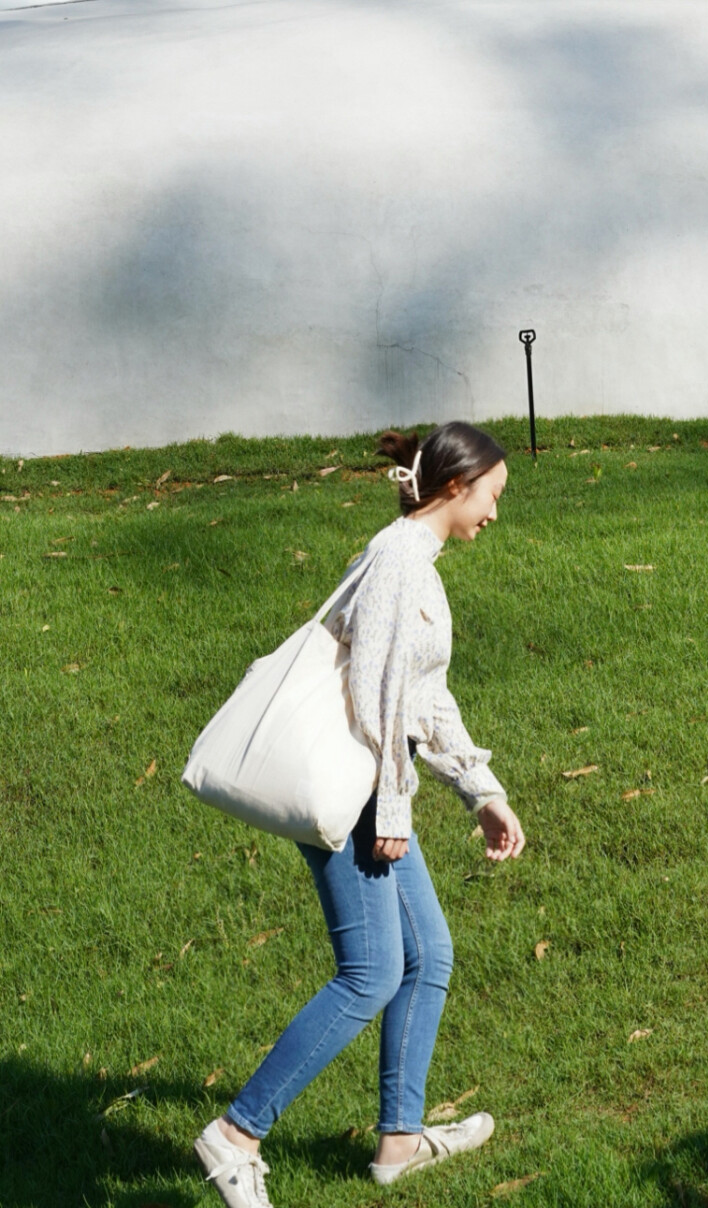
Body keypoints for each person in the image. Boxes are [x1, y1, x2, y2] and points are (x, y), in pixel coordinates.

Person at [194, 422, 526, 1208]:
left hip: (379, 786)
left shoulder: (418, 562)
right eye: (493, 496)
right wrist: (397, 804)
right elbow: (377, 691)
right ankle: (236, 1135)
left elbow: (424, 694)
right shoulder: (396, 560)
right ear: (455, 486)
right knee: (373, 971)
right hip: (361, 790)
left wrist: (481, 790)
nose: (496, 512)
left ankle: (399, 1144)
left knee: (428, 956)